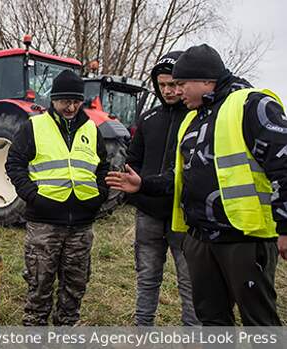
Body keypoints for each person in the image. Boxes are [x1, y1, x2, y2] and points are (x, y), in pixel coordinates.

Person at [106, 44, 287, 326]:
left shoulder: (252, 105)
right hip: (200, 238)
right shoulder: (193, 118)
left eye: (181, 84)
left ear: (207, 80)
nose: (175, 91)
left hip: (245, 239)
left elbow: (283, 165)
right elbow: (181, 177)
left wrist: (285, 227)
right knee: (212, 320)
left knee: (259, 322)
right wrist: (144, 185)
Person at [6, 70, 109, 326]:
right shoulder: (34, 126)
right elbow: (14, 164)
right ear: (53, 100)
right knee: (39, 286)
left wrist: (99, 196)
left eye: (76, 101)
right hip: (44, 223)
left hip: (81, 225)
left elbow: (104, 167)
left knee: (75, 288)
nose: (71, 107)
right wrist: (32, 195)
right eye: (65, 101)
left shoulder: (92, 130)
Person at [126, 51, 200, 326]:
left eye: (173, 84)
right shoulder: (148, 119)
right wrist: (130, 188)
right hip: (148, 213)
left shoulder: (197, 118)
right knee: (147, 277)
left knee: (189, 282)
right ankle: (142, 331)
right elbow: (133, 159)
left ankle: (192, 338)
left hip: (184, 215)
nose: (168, 90)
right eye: (162, 85)